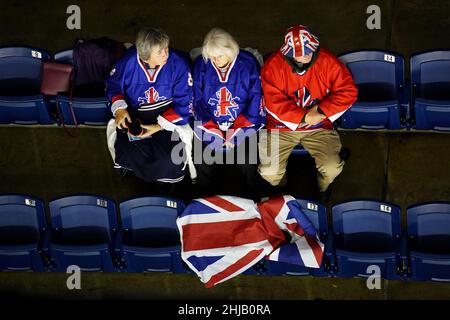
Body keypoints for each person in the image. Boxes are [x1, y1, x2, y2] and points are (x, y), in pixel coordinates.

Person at [259, 25, 358, 199]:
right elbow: (272, 103)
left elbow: (349, 91)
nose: (306, 53)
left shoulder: (327, 61)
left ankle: (322, 189)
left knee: (331, 168)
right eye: (301, 51)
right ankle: (281, 189)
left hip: (319, 127)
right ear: (288, 53)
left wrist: (320, 110)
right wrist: (303, 116)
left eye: (309, 49)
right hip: (280, 128)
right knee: (270, 172)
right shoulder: (273, 66)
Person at [105, 27, 194, 184]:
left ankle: (169, 190)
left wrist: (158, 126)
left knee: (171, 159)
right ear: (145, 55)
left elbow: (185, 103)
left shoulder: (178, 64)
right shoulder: (127, 63)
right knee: (131, 150)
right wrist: (120, 109)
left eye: (166, 48)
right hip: (137, 115)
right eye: (160, 52)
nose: (166, 53)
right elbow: (113, 86)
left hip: (168, 117)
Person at [192, 28, 265, 197]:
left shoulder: (247, 63)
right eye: (212, 56)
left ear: (231, 50)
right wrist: (213, 132)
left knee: (248, 161)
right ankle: (206, 197)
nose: (216, 60)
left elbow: (256, 99)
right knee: (202, 159)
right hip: (210, 124)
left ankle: (253, 196)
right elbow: (197, 101)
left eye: (220, 56)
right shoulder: (201, 65)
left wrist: (237, 133)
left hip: (242, 123)